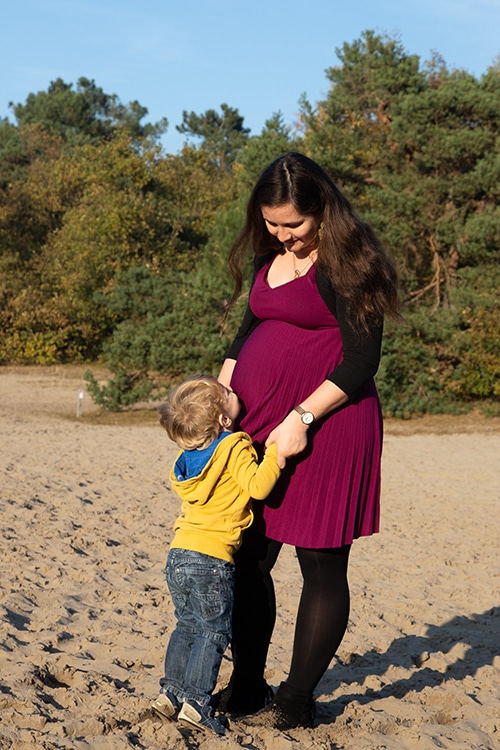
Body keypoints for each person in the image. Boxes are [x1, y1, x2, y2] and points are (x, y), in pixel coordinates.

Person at [216, 152, 400, 730]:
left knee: (320, 564)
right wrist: (224, 390)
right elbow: (246, 330)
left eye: (293, 224)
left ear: (323, 207)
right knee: (248, 560)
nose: (282, 235)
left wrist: (301, 417)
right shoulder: (269, 259)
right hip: (258, 426)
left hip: (329, 423)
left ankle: (297, 695)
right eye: (271, 223)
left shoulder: (352, 261)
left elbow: (362, 358)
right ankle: (247, 684)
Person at [151, 374, 281, 736]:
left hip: (179, 554)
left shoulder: (187, 458)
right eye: (227, 393)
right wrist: (274, 453)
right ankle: (196, 703)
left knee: (186, 627)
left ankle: (170, 695)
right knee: (211, 633)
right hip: (211, 558)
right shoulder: (235, 445)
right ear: (225, 420)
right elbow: (258, 485)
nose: (233, 389)